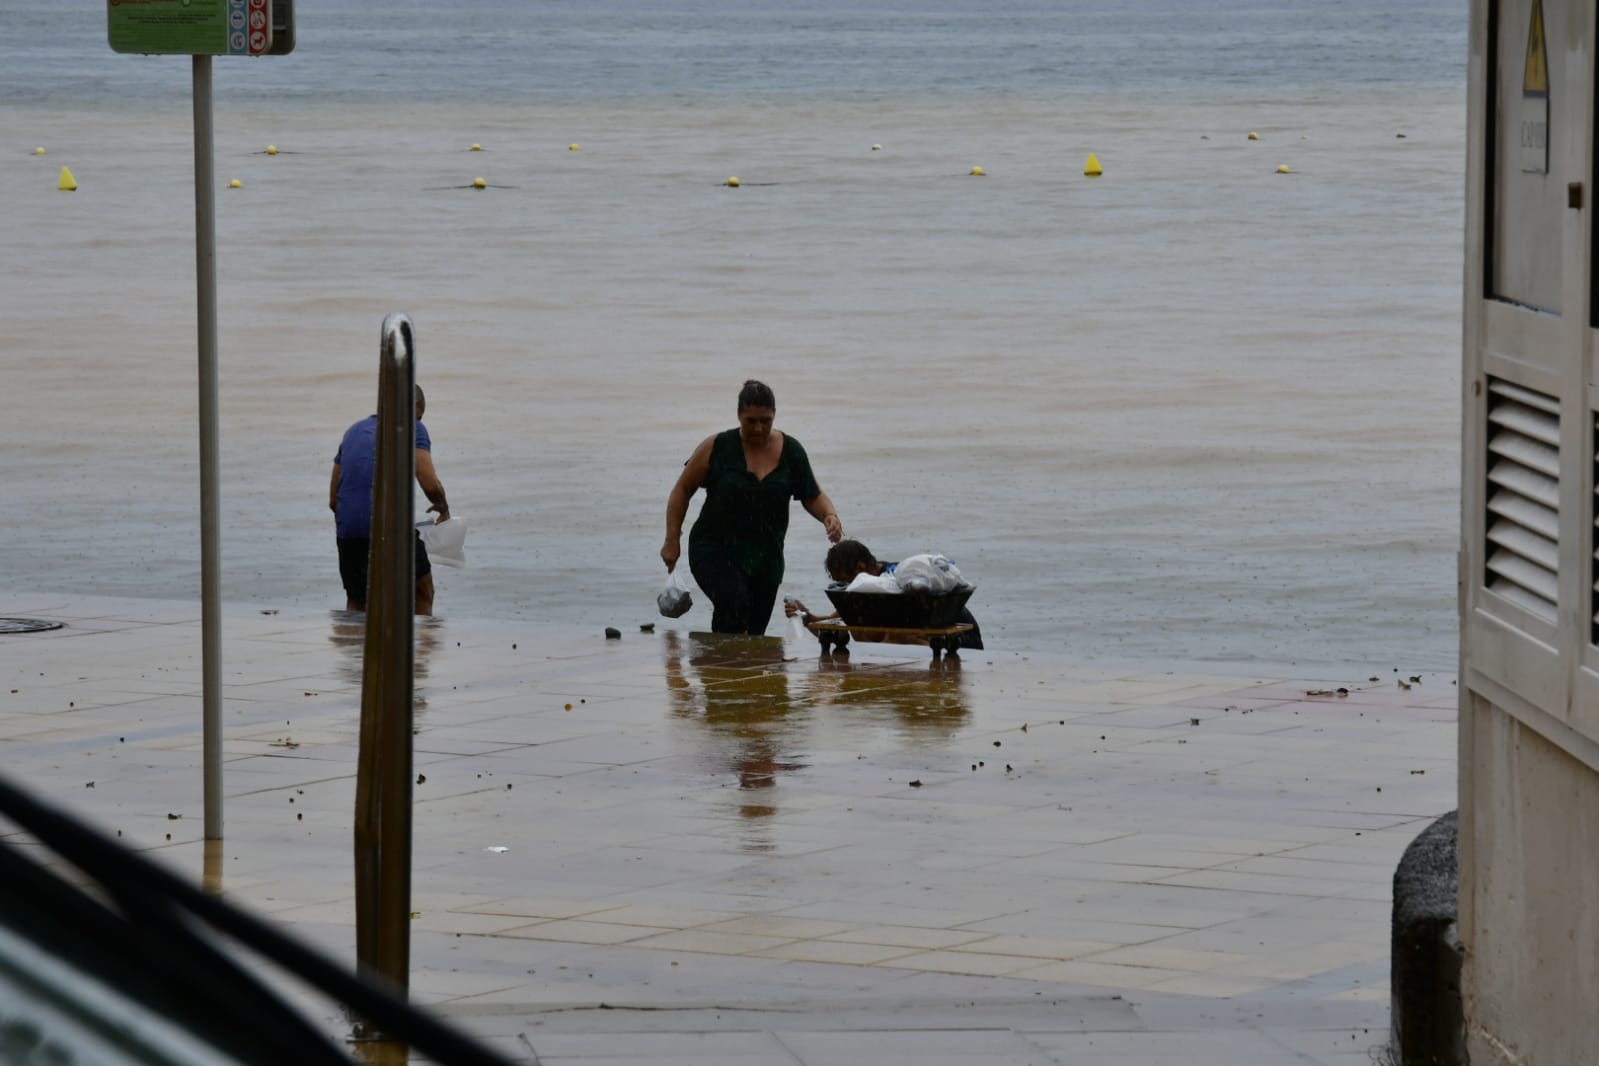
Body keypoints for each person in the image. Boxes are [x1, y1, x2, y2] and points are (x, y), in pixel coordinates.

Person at [662, 379, 844, 634]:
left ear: (774, 417)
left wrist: (829, 515)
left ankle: (734, 668)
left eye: (765, 420)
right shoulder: (717, 447)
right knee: (733, 602)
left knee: (755, 628)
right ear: (739, 417)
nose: (758, 428)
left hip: (766, 558)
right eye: (751, 421)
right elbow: (682, 490)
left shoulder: (791, 451)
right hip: (714, 547)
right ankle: (721, 669)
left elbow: (811, 494)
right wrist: (672, 538)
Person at [329, 384, 450, 615]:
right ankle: (420, 649)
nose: (420, 420)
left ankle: (357, 647)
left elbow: (334, 500)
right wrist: (443, 506)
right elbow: (428, 481)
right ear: (415, 407)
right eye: (420, 415)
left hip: (349, 531)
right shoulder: (414, 427)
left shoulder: (352, 431)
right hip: (390, 528)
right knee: (422, 590)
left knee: (358, 601)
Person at [784, 539, 984, 650]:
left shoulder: (891, 580)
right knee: (863, 626)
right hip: (934, 634)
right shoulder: (869, 587)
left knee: (890, 633)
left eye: (846, 581)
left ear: (861, 567)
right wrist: (806, 617)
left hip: (965, 639)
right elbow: (838, 623)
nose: (847, 588)